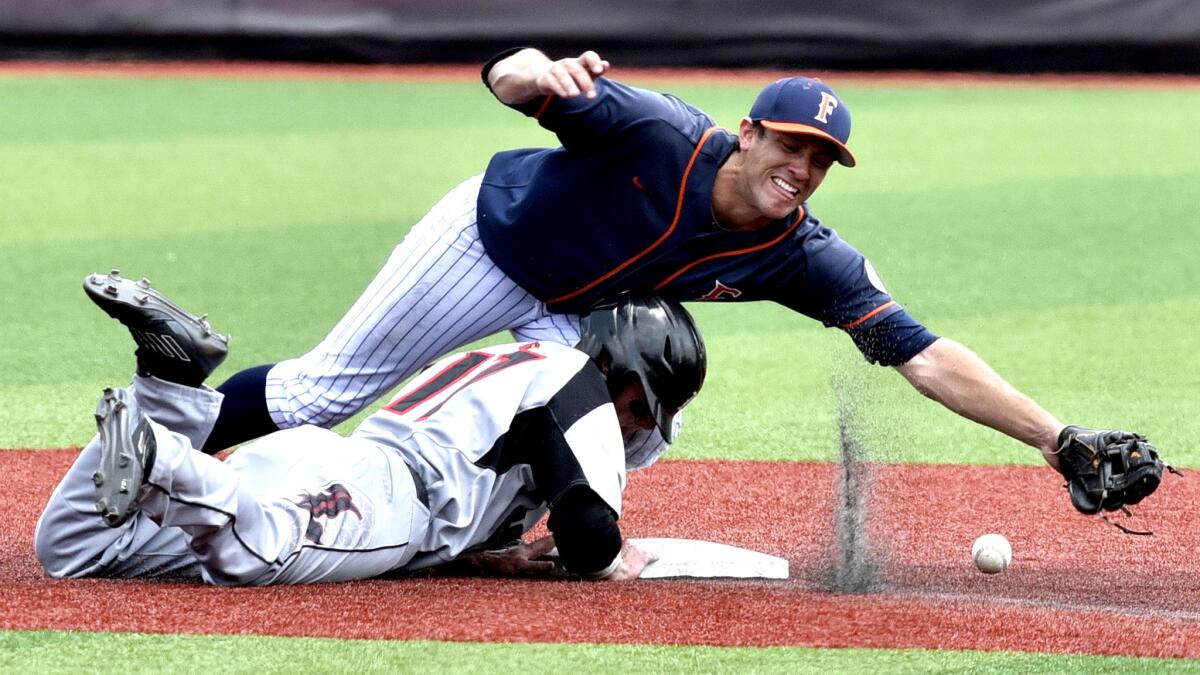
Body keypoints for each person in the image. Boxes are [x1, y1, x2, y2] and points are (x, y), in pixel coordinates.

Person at [196, 47, 1138, 480]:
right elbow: (504, 76)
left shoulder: (804, 254)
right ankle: (162, 447)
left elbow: (921, 351)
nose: (802, 168)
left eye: (820, 160)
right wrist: (538, 73)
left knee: (638, 422)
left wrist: (1056, 438)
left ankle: (495, 533)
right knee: (325, 392)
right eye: (792, 145)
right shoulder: (652, 130)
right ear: (749, 131)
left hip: (575, 308)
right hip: (491, 243)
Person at [34, 272, 706, 585]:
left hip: (328, 463)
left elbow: (485, 470)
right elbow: (589, 536)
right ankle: (159, 455)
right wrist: (620, 559)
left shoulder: (524, 364)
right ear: (618, 367)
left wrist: (480, 552)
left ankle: (162, 391)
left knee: (76, 546)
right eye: (643, 405)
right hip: (374, 501)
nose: (638, 424)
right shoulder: (578, 382)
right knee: (256, 552)